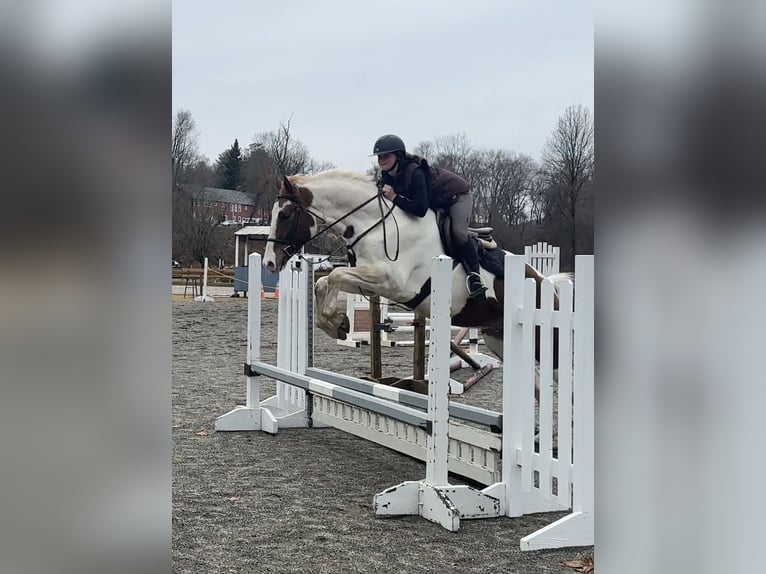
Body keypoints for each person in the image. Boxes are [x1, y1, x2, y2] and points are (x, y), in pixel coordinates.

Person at [372, 134, 487, 299]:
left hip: (457, 197)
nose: (381, 160)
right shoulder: (387, 175)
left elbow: (420, 209)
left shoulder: (416, 172)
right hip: (436, 201)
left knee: (459, 233)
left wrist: (395, 197)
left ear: (397, 155)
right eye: (379, 157)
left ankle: (475, 277)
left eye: (385, 156)